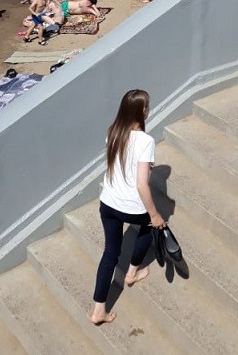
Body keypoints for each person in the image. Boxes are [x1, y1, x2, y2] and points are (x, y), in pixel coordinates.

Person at [90, 89, 166, 326]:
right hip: (131, 206)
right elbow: (142, 184)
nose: (148, 109)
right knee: (148, 228)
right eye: (147, 106)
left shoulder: (112, 132)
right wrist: (155, 214)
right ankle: (132, 272)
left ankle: (98, 311)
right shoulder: (146, 141)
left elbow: (122, 165)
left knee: (110, 253)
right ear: (142, 111)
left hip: (108, 203)